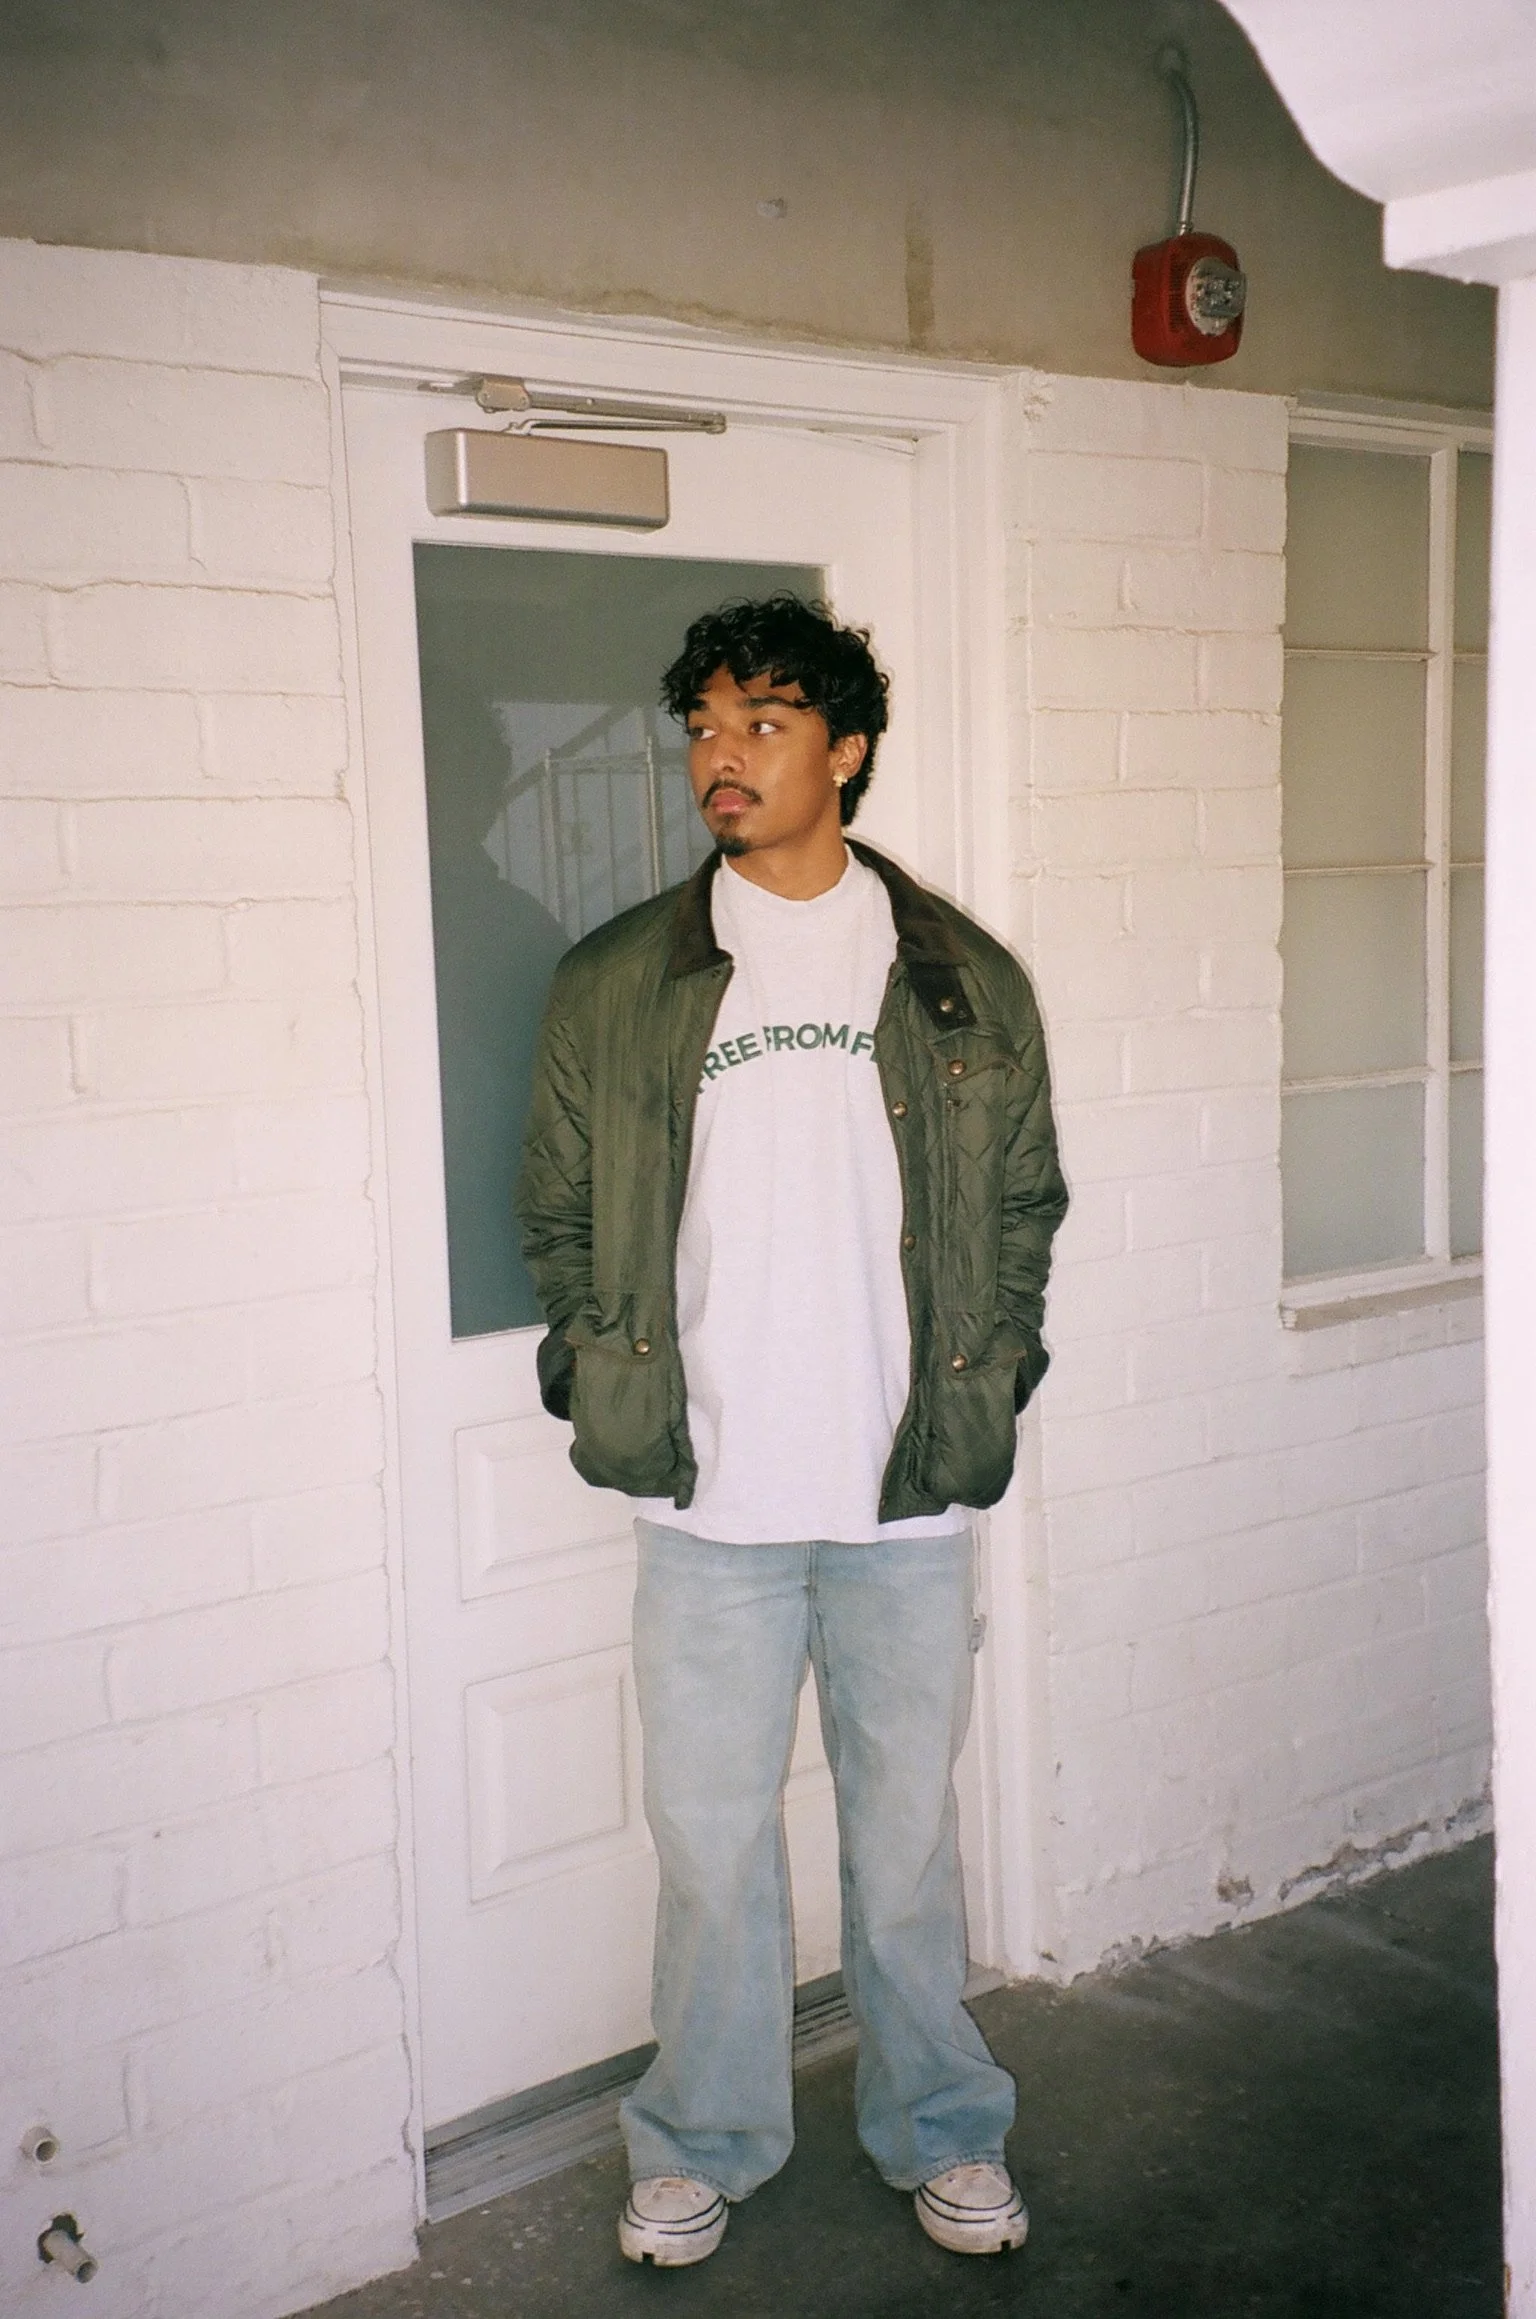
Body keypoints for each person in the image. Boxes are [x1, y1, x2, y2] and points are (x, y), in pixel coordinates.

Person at [516, 595, 1066, 2266]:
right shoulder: (618, 979)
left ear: (849, 749)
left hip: (904, 1495)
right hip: (710, 1500)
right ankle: (703, 2136)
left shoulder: (962, 976)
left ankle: (941, 2124)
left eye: (760, 723)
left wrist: (996, 1369)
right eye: (701, 726)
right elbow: (557, 1213)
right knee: (709, 1850)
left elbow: (1024, 1204)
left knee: (903, 1846)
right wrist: (588, 1368)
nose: (719, 758)